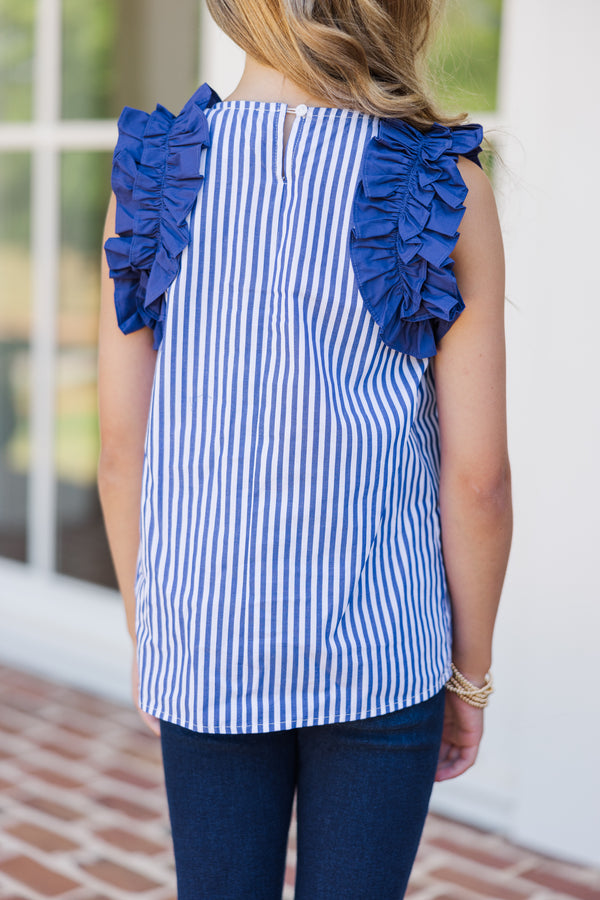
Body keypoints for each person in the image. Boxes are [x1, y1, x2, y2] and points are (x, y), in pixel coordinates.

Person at [98, 0, 512, 896]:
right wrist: (469, 678)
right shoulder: (444, 182)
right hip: (379, 651)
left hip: (207, 641)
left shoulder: (155, 176)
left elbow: (120, 448)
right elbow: (476, 480)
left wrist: (150, 628)